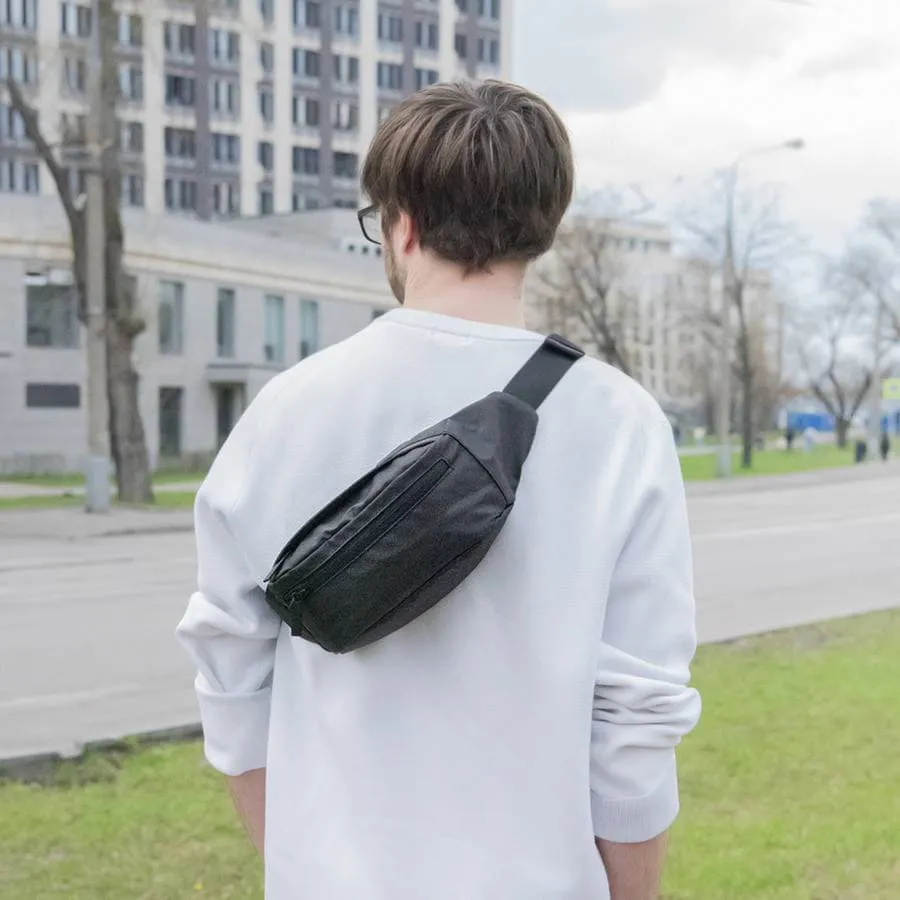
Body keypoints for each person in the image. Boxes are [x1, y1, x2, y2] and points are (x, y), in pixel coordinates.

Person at [176, 80, 701, 900]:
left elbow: (229, 676)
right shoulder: (620, 422)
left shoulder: (287, 410)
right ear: (541, 229)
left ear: (403, 224)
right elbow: (635, 716)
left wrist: (302, 863)